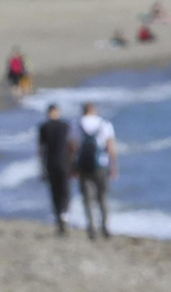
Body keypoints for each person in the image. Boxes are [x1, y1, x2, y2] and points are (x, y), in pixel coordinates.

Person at [69, 102, 117, 239]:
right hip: (101, 164)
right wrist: (114, 167)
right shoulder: (104, 124)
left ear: (83, 111)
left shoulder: (76, 125)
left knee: (88, 198)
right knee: (102, 197)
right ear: (94, 110)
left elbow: (72, 148)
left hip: (83, 165)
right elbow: (110, 147)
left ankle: (91, 228)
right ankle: (105, 226)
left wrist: (72, 166)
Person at [37, 104, 73, 235]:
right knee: (65, 191)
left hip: (50, 164)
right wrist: (73, 164)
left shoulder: (44, 127)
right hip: (64, 163)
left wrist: (41, 168)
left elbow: (40, 150)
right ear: (57, 112)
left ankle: (59, 217)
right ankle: (64, 215)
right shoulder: (65, 126)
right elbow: (71, 146)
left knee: (55, 192)